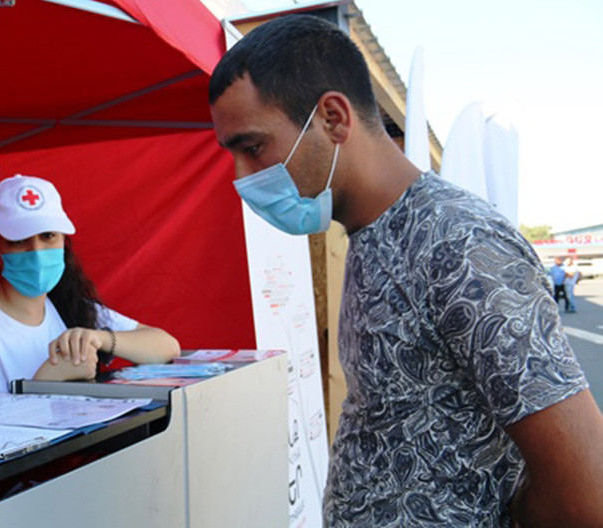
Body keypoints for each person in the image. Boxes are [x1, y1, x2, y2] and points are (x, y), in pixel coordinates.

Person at [208, 14, 603, 528]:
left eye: (253, 148)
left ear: (332, 118)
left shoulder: (458, 242)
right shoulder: (370, 232)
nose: (242, 178)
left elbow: (586, 488)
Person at [0, 174, 180, 395]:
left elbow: (167, 346)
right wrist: (47, 380)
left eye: (48, 236)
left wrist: (100, 338)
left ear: (63, 242)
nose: (37, 252)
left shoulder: (66, 304)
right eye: (19, 240)